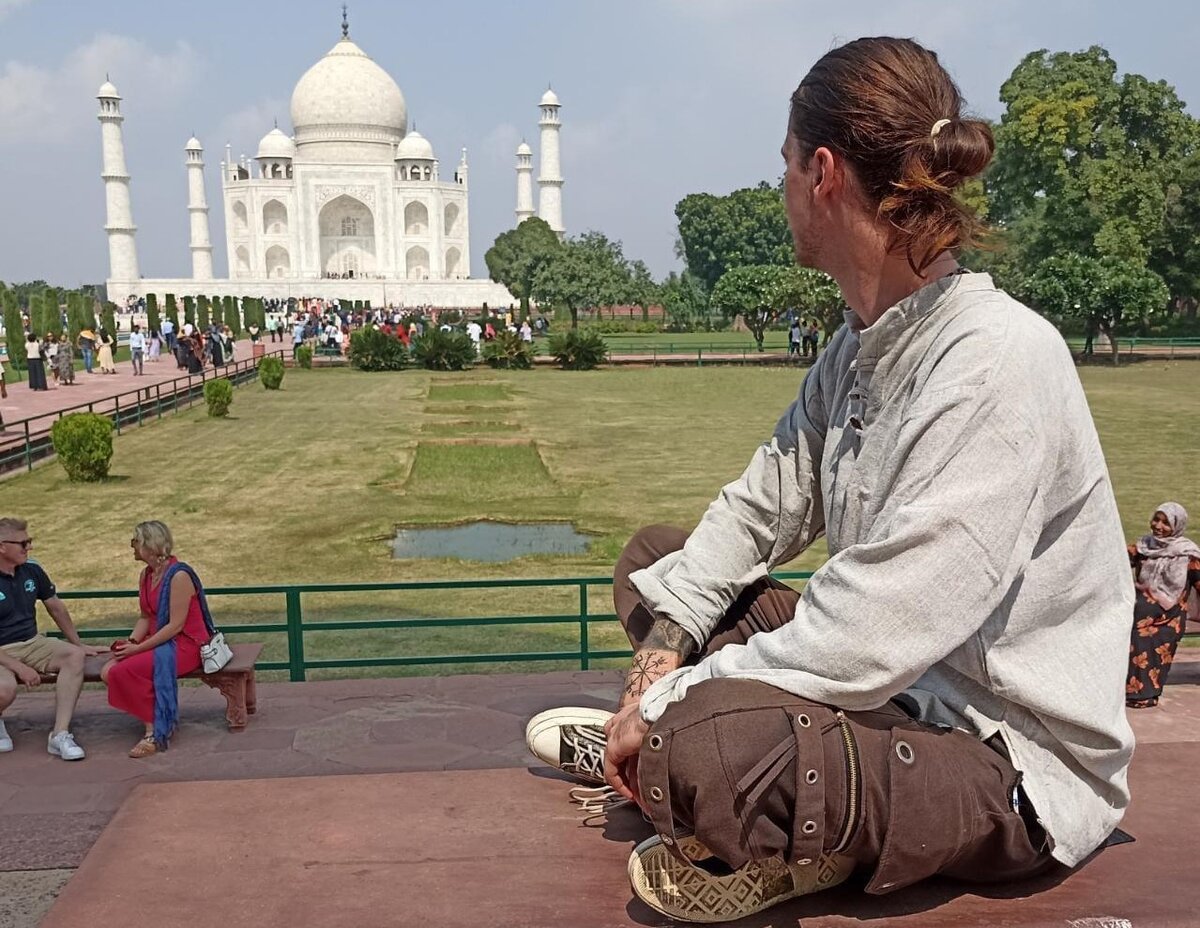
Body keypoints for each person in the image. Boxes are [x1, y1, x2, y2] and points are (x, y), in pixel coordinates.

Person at [526, 37, 1135, 923]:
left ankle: (704, 784)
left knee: (713, 743)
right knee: (659, 564)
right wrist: (663, 654)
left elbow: (875, 627)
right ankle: (679, 764)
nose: (778, 191)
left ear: (821, 172)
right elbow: (761, 505)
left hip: (1003, 755)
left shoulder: (995, 361)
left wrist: (669, 702)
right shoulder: (862, 343)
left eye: (781, 167)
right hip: (894, 690)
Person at [101, 521, 212, 758]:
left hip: (185, 644)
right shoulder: (146, 574)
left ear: (149, 546)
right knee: (108, 670)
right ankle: (159, 715)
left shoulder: (179, 575)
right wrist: (132, 642)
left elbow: (175, 626)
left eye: (135, 542)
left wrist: (138, 649)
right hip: (158, 639)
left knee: (122, 672)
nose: (131, 547)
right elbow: (145, 616)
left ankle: (154, 730)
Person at [0, 517, 102, 760]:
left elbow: (55, 607)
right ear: (2, 546)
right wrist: (20, 668)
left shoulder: (32, 569)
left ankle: (60, 734)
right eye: (23, 543)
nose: (29, 548)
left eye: (30, 541)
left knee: (74, 656)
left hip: (32, 642)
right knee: (5, 688)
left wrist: (78, 643)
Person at [1125, 503, 1200, 708]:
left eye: (1165, 522)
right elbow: (1115, 563)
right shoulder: (1144, 547)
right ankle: (1121, 689)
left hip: (1169, 615)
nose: (1158, 526)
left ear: (1177, 526)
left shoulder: (1187, 554)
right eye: (1156, 519)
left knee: (1140, 629)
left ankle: (1143, 694)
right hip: (1141, 608)